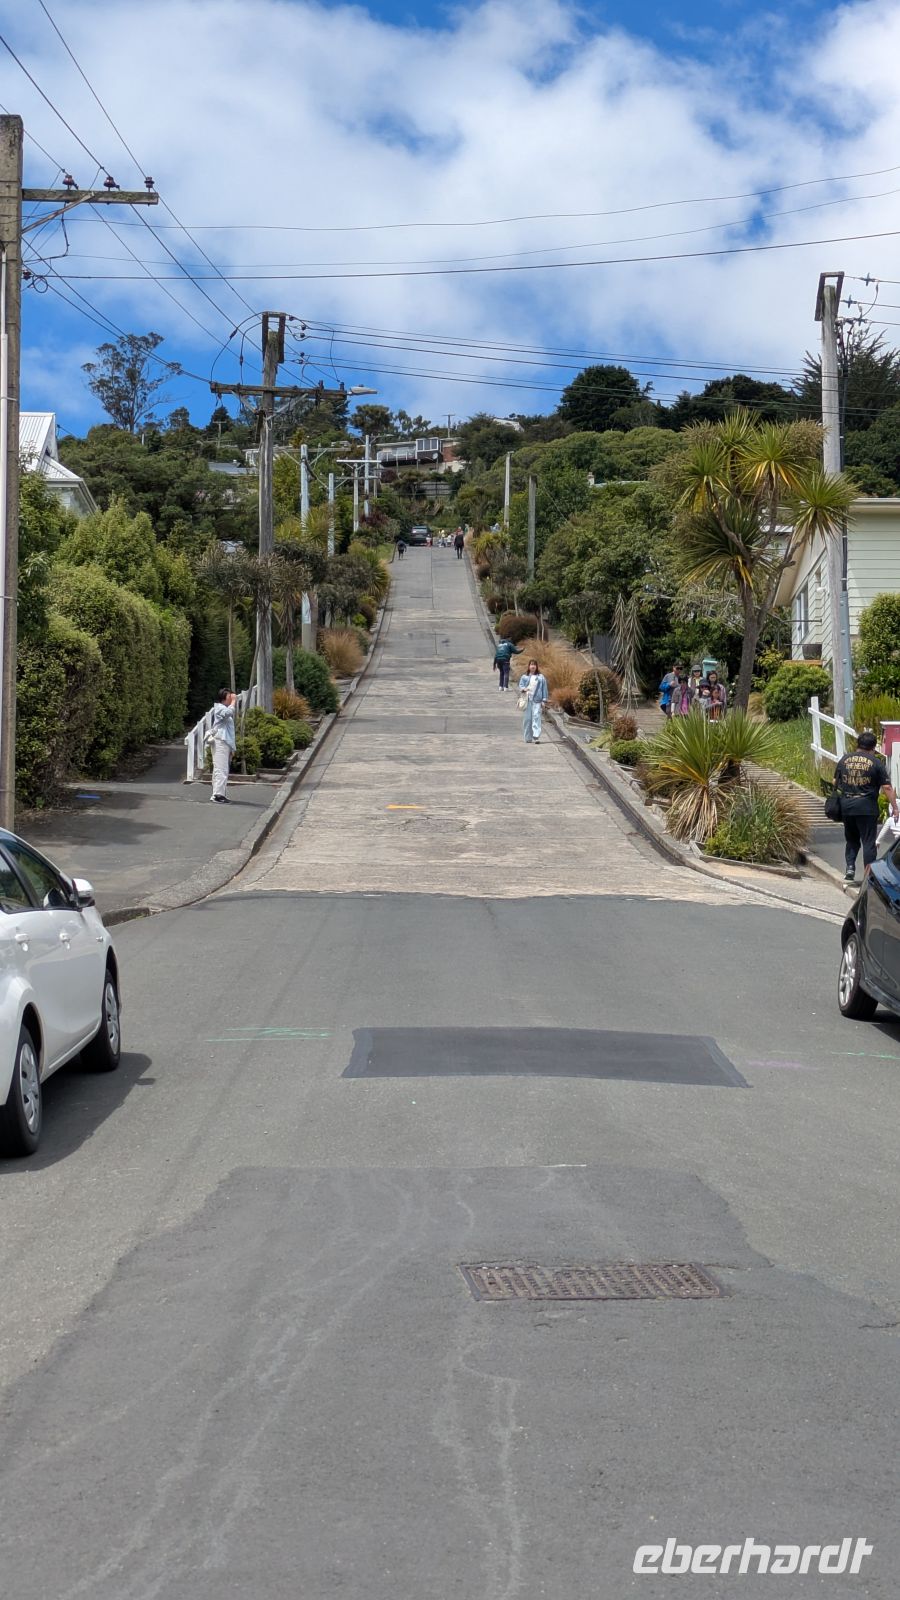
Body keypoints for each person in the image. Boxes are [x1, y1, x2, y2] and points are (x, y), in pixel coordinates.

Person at [833, 729, 899, 884]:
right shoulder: (875, 762)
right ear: (873, 747)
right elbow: (887, 787)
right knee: (868, 842)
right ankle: (868, 874)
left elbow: (835, 782)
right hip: (867, 807)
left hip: (847, 806)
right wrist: (895, 807)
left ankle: (850, 867)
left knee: (851, 838)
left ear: (858, 744)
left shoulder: (844, 760)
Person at [206, 689, 236, 804]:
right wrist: (233, 702)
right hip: (220, 741)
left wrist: (232, 748)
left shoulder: (223, 708)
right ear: (224, 697)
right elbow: (228, 713)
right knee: (221, 769)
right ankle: (218, 795)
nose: (231, 697)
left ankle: (218, 793)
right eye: (229, 695)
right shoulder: (219, 708)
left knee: (222, 768)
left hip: (225, 742)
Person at [518, 658, 549, 743]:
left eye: (534, 664)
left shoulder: (541, 677)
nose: (533, 666)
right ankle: (528, 737)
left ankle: (536, 736)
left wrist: (544, 700)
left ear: (536, 666)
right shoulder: (525, 677)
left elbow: (544, 689)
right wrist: (523, 689)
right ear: (528, 666)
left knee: (536, 718)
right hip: (527, 700)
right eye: (531, 664)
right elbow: (520, 686)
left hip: (537, 701)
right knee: (528, 719)